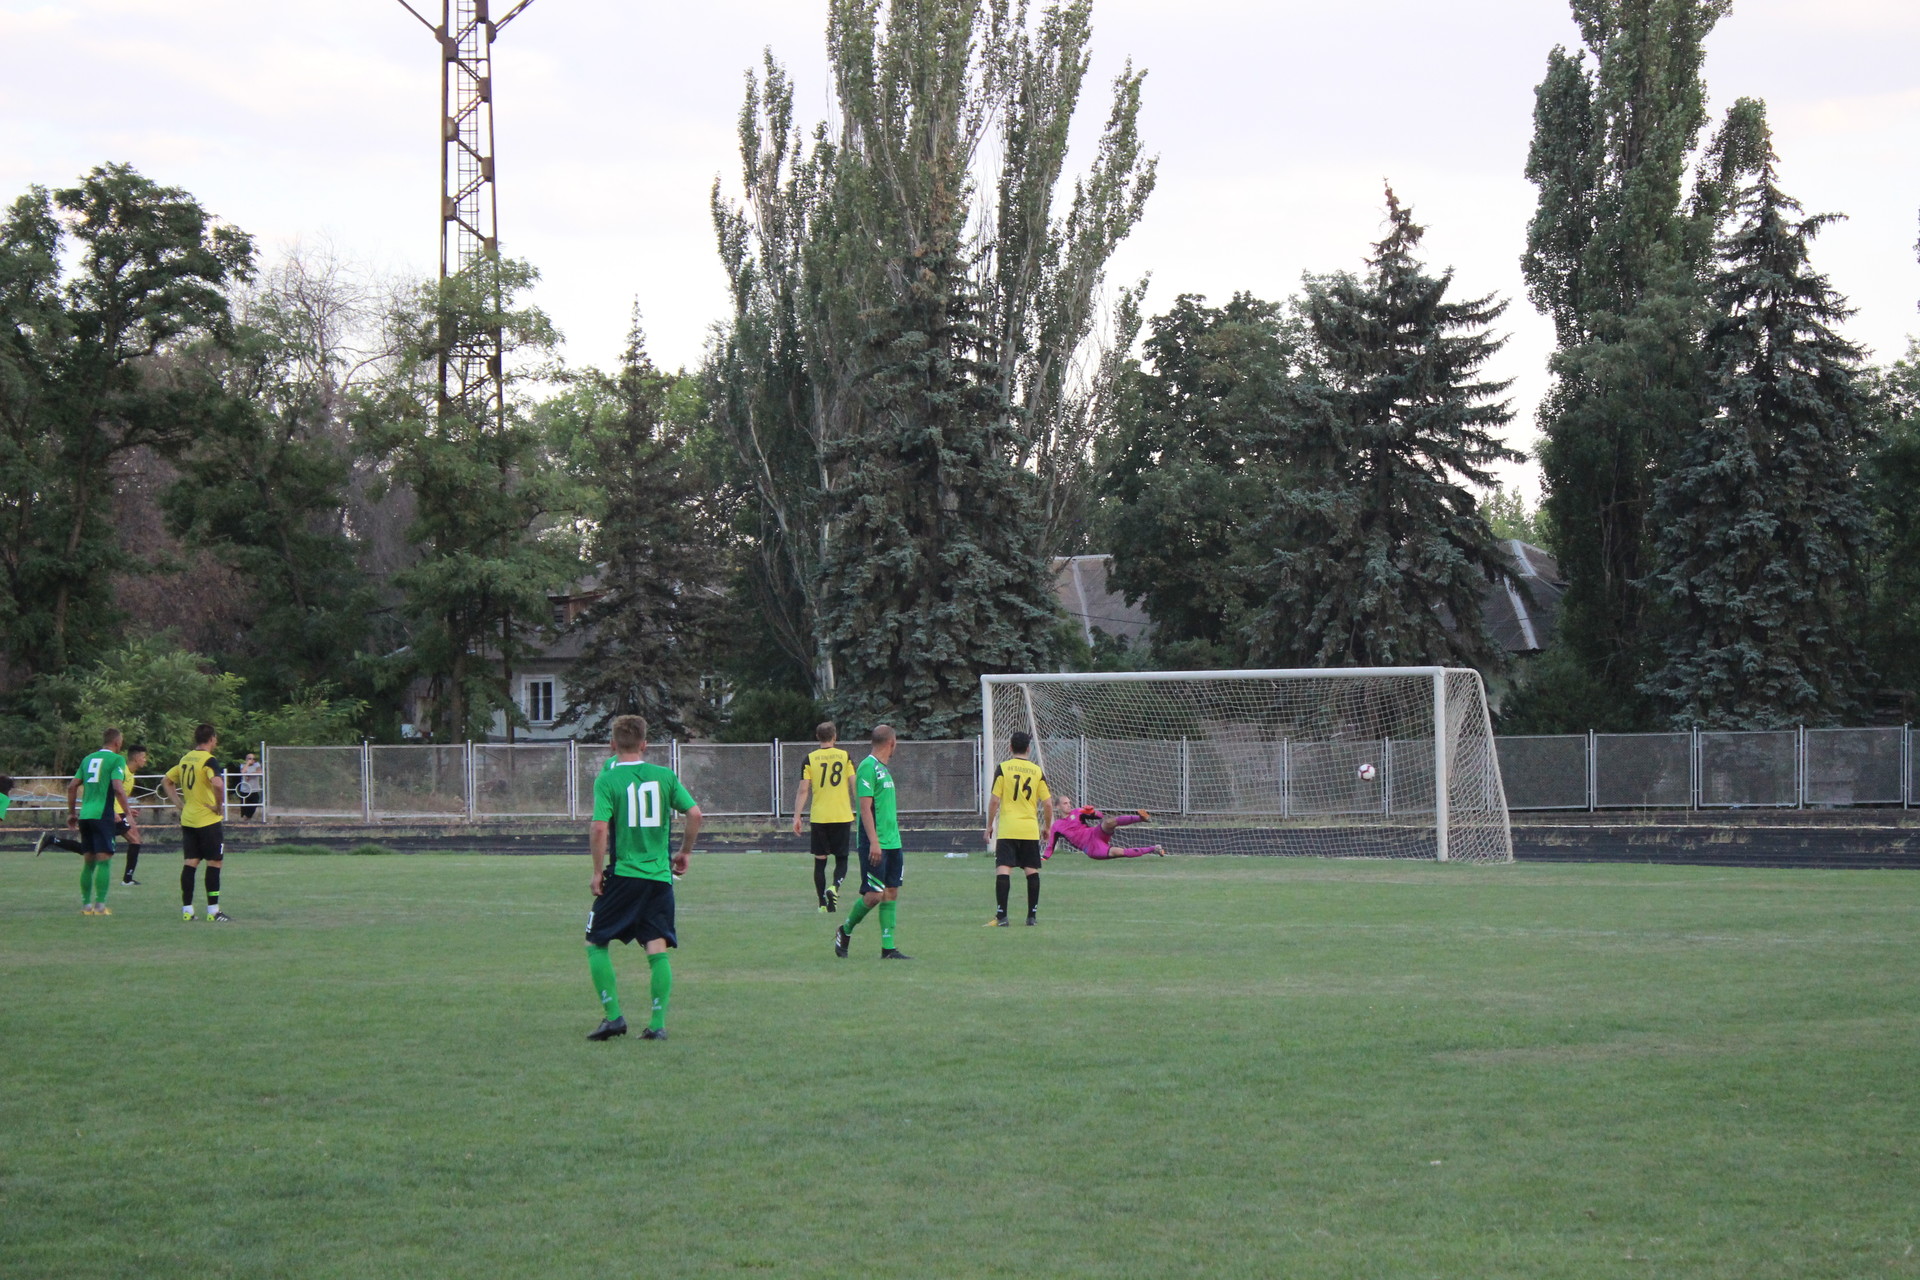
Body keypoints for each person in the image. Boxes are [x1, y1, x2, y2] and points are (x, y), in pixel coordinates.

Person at [585, 714, 703, 1042]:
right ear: (644, 743)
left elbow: (598, 827)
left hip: (624, 875)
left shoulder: (607, 780)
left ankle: (613, 1017)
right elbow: (694, 813)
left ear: (612, 744)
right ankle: (657, 1025)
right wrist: (685, 851)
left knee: (595, 941)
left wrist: (597, 872)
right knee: (656, 947)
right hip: (659, 877)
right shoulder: (664, 776)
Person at [833, 724, 910, 960]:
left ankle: (888, 948)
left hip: (893, 842)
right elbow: (864, 808)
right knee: (874, 895)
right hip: (875, 843)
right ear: (892, 743)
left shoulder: (884, 770)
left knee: (891, 891)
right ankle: (844, 930)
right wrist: (874, 842)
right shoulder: (868, 766)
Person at [55, 728, 137, 915]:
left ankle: (86, 906)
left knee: (88, 862)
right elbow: (117, 787)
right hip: (103, 816)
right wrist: (127, 813)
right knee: (103, 861)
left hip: (85, 815)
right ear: (117, 742)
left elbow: (72, 786)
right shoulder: (117, 760)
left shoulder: (87, 759)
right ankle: (100, 906)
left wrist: (71, 813)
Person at [47, 744, 151, 882]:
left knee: (93, 848)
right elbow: (111, 791)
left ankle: (53, 840)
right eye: (144, 757)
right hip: (110, 814)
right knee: (132, 840)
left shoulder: (130, 773)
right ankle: (127, 879)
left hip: (113, 812)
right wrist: (114, 812)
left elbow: (116, 795)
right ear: (137, 758)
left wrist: (126, 809)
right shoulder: (122, 770)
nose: (146, 760)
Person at [985, 730, 1054, 927]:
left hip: (1008, 829)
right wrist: (1047, 827)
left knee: (1003, 869)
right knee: (1031, 871)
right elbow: (1048, 804)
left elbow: (994, 801)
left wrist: (989, 826)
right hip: (1029, 829)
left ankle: (1002, 917)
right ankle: (1031, 917)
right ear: (1029, 749)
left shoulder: (1003, 768)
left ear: (1010, 747)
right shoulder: (1037, 771)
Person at [163, 724, 231, 923]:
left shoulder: (186, 759)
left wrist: (180, 805)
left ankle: (188, 910)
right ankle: (213, 911)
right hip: (207, 820)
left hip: (189, 818)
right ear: (211, 739)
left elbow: (166, 780)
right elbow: (218, 783)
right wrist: (219, 805)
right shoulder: (209, 760)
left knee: (190, 862)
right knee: (214, 862)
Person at [791, 720, 854, 913]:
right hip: (842, 815)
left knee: (820, 861)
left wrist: (797, 816)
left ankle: (822, 904)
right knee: (842, 859)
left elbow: (804, 790)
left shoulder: (810, 759)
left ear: (818, 737)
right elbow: (854, 785)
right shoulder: (845, 757)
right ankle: (834, 887)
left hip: (820, 817)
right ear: (834, 736)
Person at [1046, 796, 1164, 861]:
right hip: (1091, 847)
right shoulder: (1057, 825)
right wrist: (1044, 858)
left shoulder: (1077, 812)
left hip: (1095, 833)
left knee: (1108, 822)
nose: (1069, 805)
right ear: (1057, 806)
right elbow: (1051, 845)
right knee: (1119, 852)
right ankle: (1154, 848)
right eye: (1065, 803)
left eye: (1069, 802)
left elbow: (1100, 816)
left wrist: (1092, 812)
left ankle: (1141, 818)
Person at [234, 752, 262, 821]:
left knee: (254, 804)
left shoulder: (257, 765)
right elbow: (243, 772)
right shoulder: (243, 765)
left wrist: (250, 774)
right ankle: (244, 819)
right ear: (246, 759)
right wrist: (247, 764)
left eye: (253, 758)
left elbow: (259, 772)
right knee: (244, 806)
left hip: (254, 789)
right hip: (245, 790)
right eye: (250, 758)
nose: (252, 760)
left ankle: (247, 818)